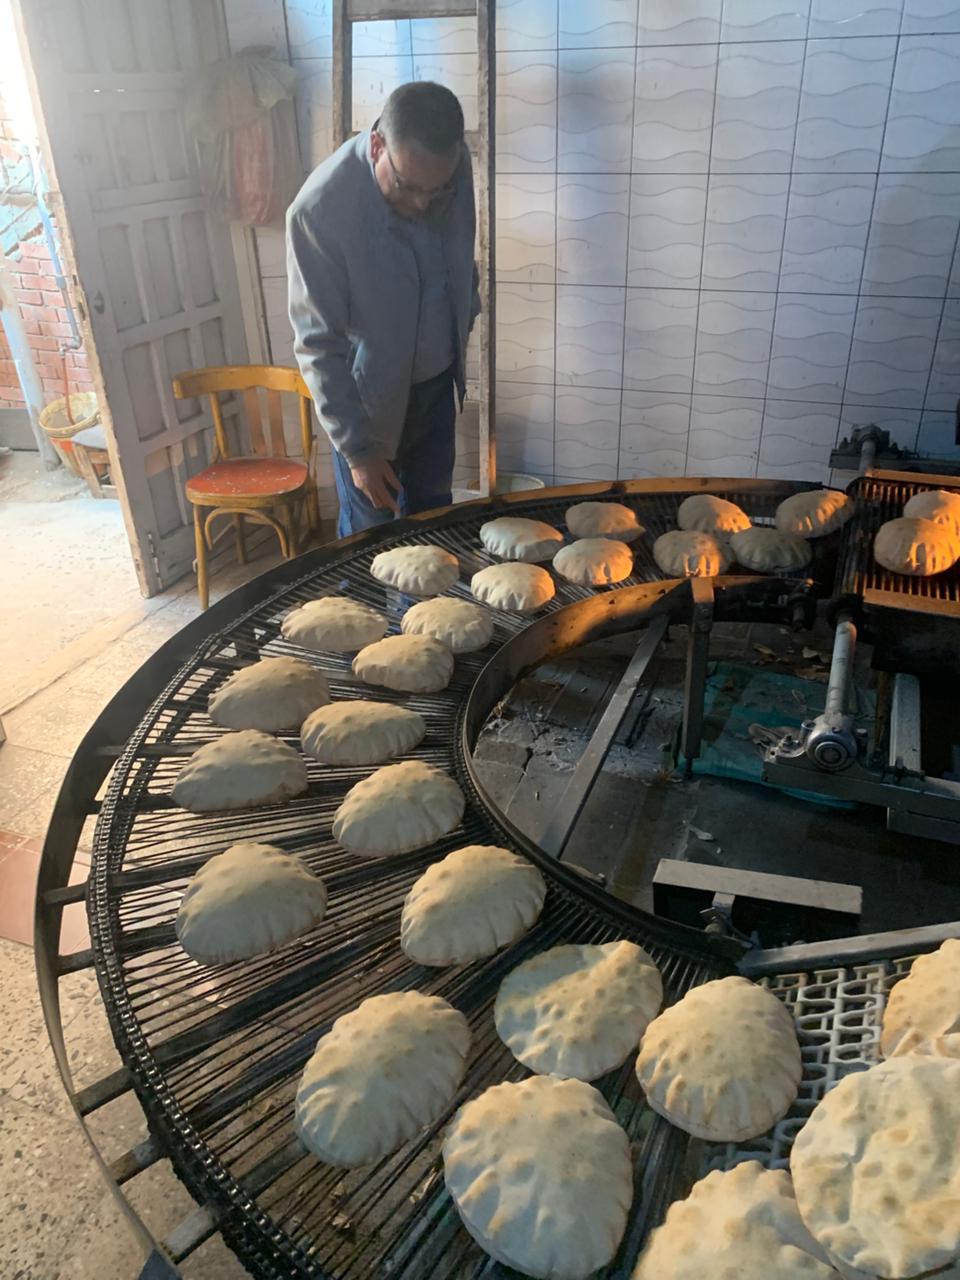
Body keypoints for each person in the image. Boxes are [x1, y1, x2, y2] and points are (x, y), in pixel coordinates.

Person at [287, 81, 479, 537]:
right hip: (368, 408)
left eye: (437, 191)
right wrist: (357, 451)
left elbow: (458, 260)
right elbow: (317, 344)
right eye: (408, 187)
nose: (422, 203)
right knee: (369, 540)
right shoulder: (319, 212)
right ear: (377, 146)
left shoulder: (452, 164)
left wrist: (467, 310)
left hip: (435, 389)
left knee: (434, 530)